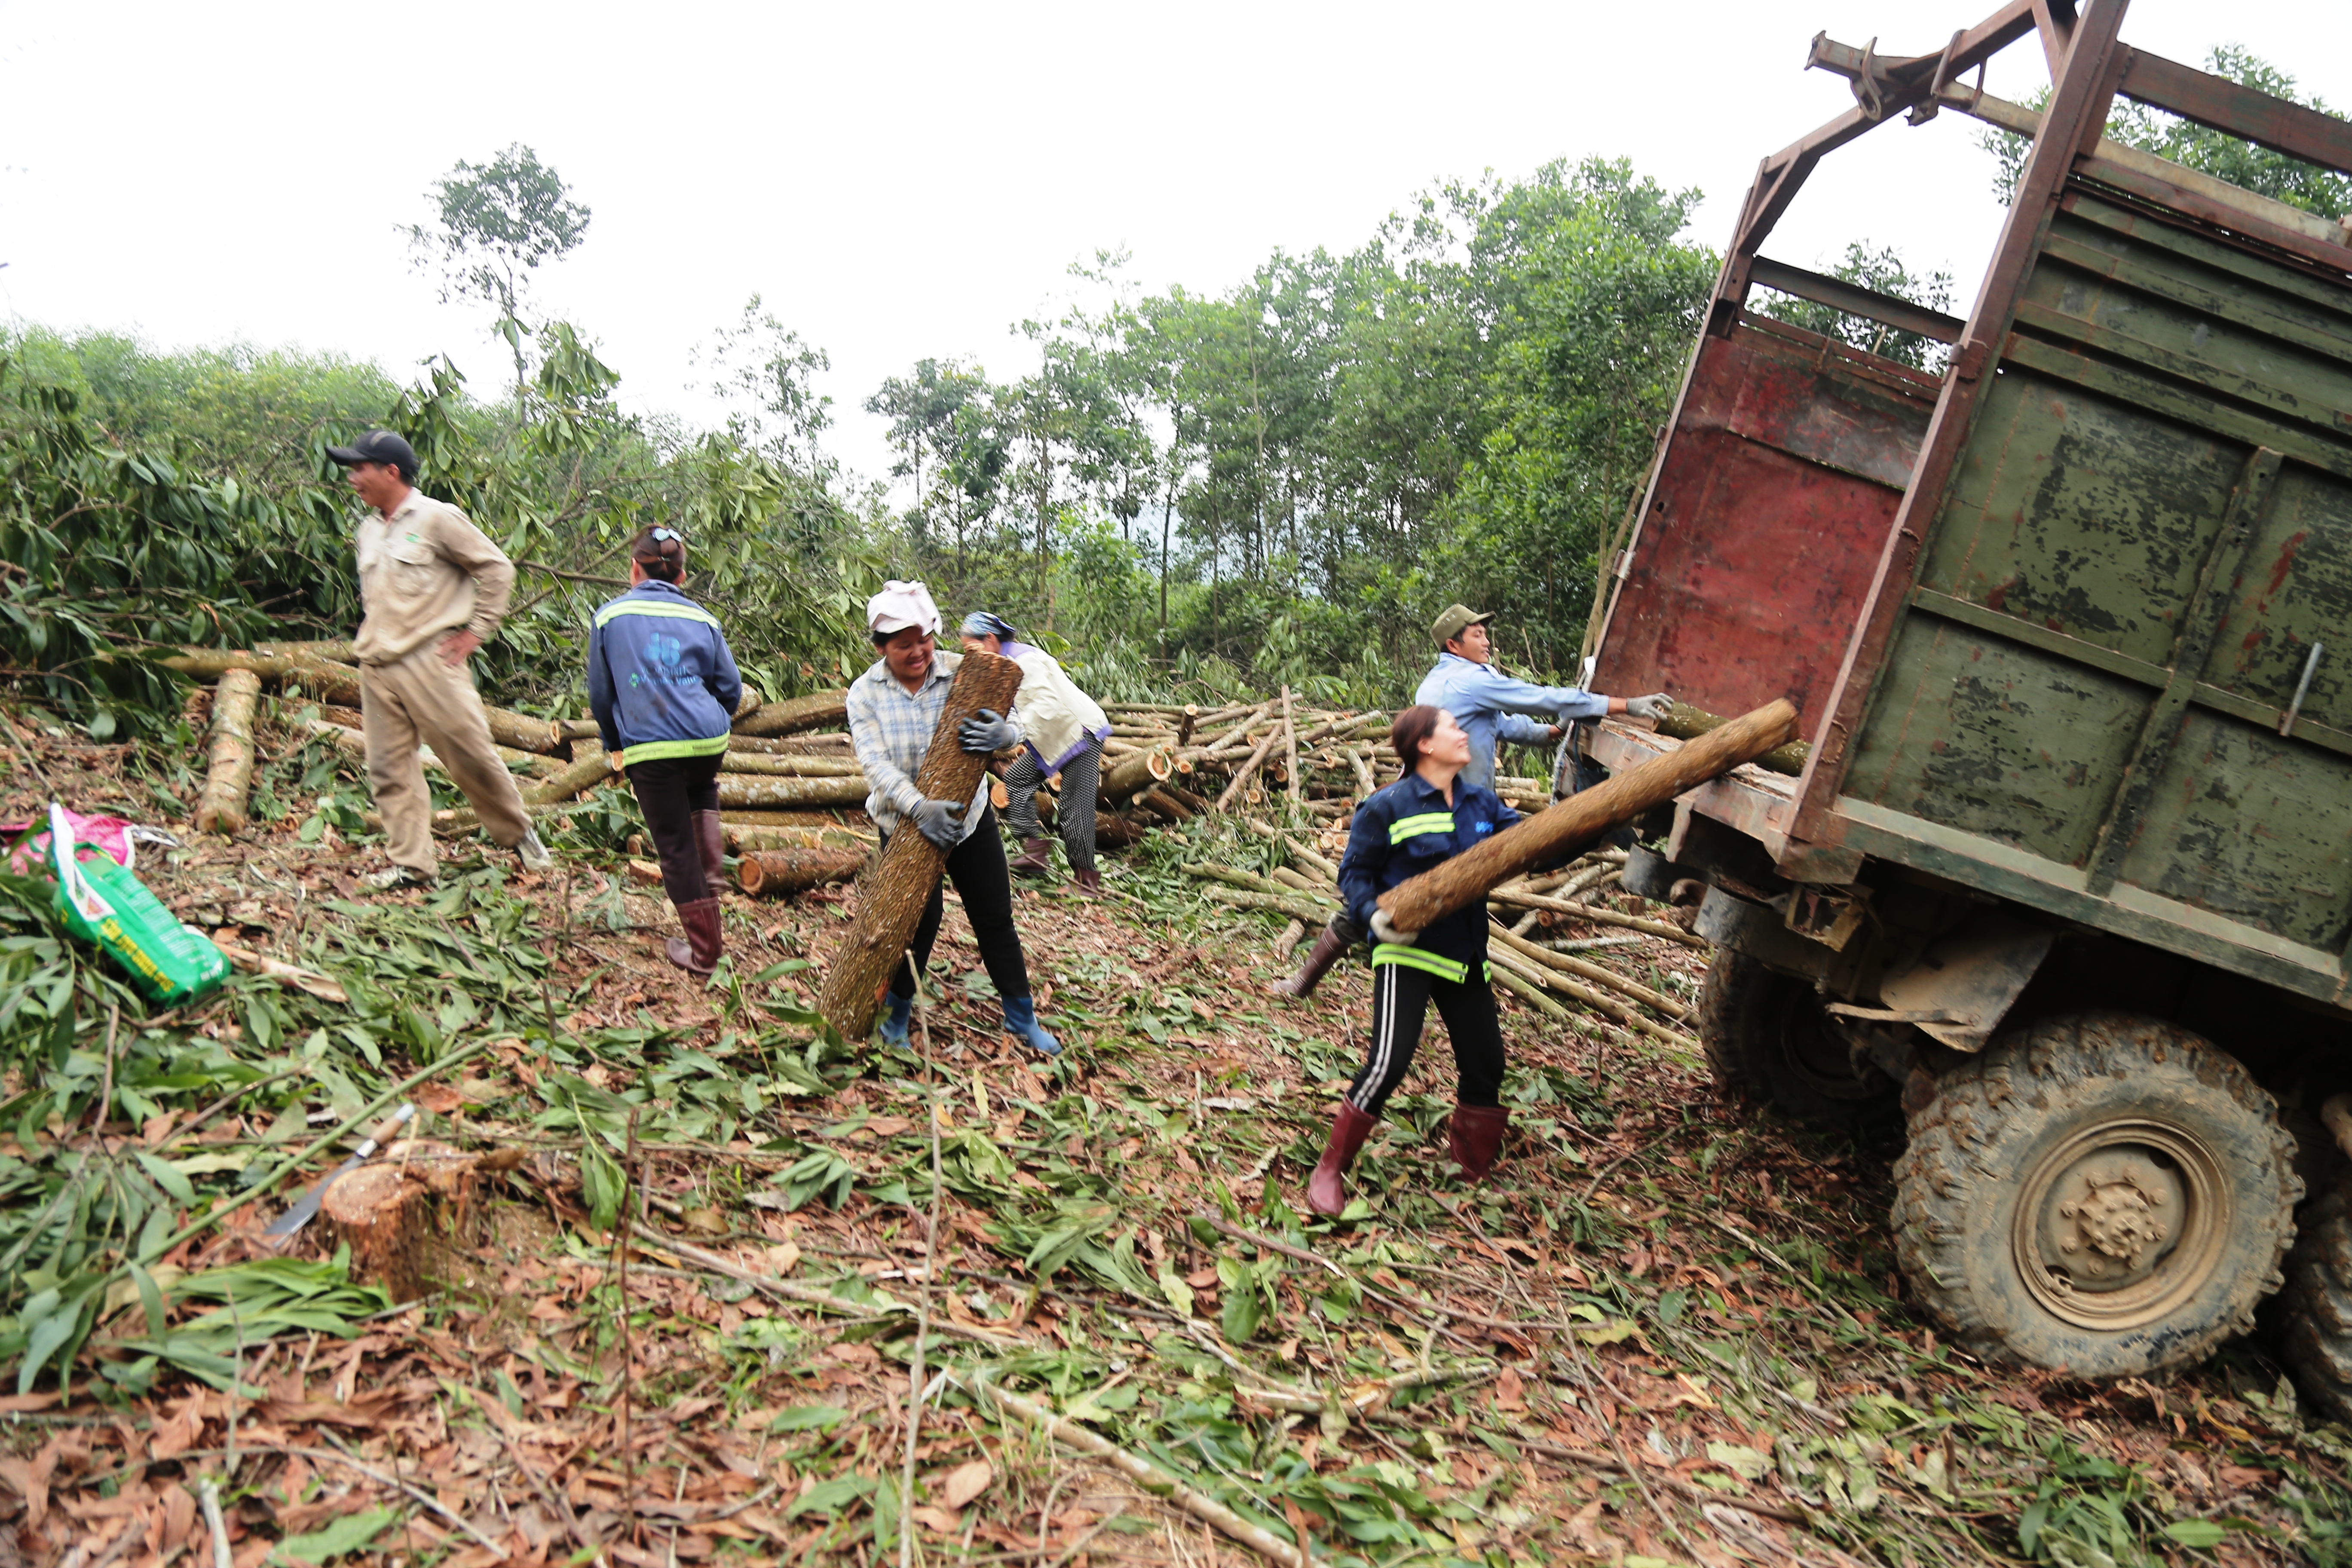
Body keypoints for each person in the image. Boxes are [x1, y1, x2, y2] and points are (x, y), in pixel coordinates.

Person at [1307, 705, 1524, 1217]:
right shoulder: (1387, 807)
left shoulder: (1481, 803)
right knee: (1389, 1062)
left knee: (1486, 1065)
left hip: (1465, 953)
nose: (1463, 734)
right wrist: (1372, 917)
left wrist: (1593, 827)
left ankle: (1471, 1170)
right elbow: (1355, 875)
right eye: (1453, 728)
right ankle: (1330, 1169)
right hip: (1408, 953)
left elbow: (1533, 844)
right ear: (1424, 745)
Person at [328, 429, 552, 891]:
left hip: (432, 662)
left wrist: (476, 632)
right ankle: (413, 865)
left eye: (360, 468)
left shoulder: (437, 519)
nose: (353, 478)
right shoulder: (369, 529)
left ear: (392, 472)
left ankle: (521, 835)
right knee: (389, 769)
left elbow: (496, 568)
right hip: (377, 663)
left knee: (470, 754)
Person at [846, 582, 1061, 1055]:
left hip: (970, 819)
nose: (919, 651)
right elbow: (876, 765)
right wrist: (918, 806)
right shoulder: (865, 694)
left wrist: (1006, 734)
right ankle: (899, 1014)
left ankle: (1021, 1016)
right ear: (882, 647)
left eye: (924, 638)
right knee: (916, 922)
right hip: (905, 824)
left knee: (994, 916)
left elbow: (1015, 724)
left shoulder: (963, 671)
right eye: (904, 645)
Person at [586, 526, 742, 976]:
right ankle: (711, 890)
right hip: (708, 740)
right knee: (700, 794)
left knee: (673, 847)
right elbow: (730, 688)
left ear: (634, 569)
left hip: (651, 744)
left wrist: (615, 743)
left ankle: (705, 954)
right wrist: (712, 719)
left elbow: (601, 694)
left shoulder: (609, 618)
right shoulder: (703, 620)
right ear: (682, 577)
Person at [1415, 604, 1671, 793]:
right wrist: (1628, 706)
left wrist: (1552, 731)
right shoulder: (1471, 680)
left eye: (1485, 633)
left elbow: (1499, 726)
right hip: (1461, 804)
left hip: (1432, 795)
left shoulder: (1431, 683)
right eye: (1477, 635)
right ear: (1453, 645)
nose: (1487, 642)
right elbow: (1540, 698)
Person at [956, 612, 1112, 895]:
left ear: (990, 640)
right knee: (1015, 781)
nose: (971, 657)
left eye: (972, 650)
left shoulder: (1025, 660)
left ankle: (1086, 884)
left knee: (1074, 810)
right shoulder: (1003, 665)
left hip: (1079, 732)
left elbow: (1048, 702)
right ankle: (1035, 853)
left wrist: (1013, 733)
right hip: (1053, 738)